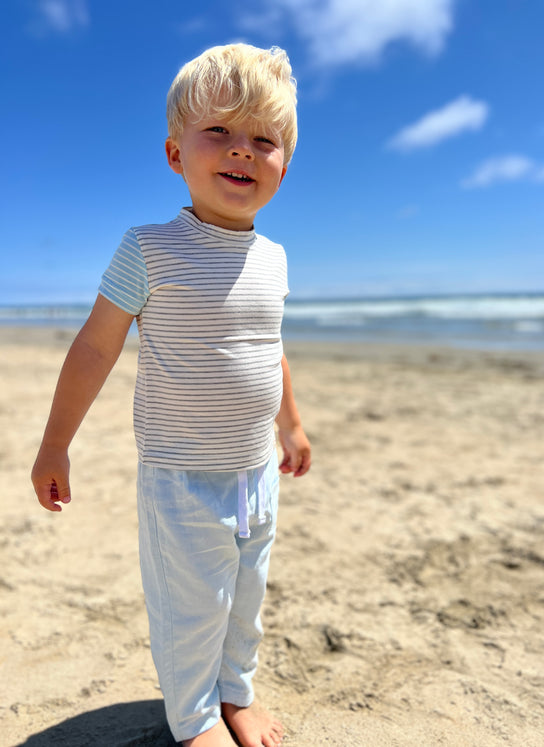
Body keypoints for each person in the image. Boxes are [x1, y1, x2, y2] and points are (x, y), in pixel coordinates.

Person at [31, 43, 311, 747]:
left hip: (254, 474)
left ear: (284, 164)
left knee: (246, 598)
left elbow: (267, 346)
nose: (242, 151)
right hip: (180, 475)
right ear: (173, 154)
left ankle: (236, 693)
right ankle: (194, 720)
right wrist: (55, 441)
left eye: (264, 139)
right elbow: (96, 345)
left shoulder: (273, 258)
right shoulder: (150, 248)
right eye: (218, 131)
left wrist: (292, 426)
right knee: (193, 606)